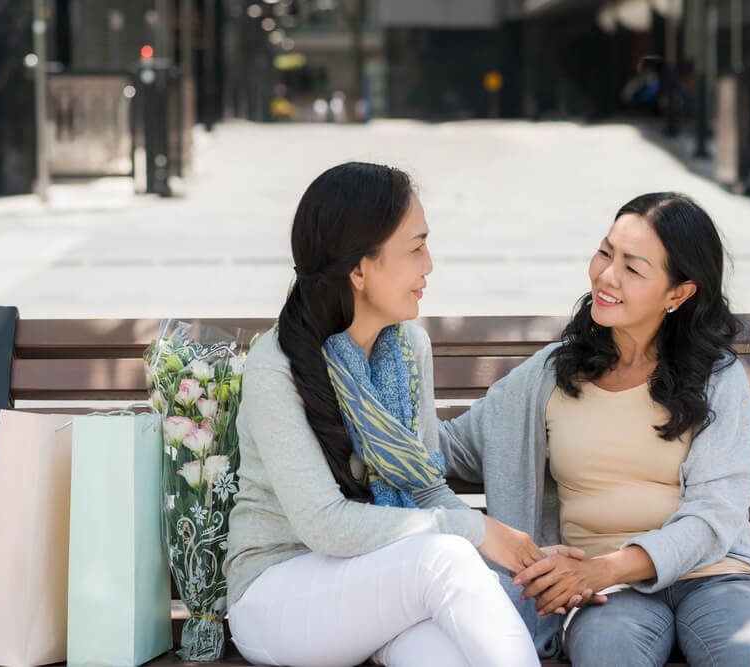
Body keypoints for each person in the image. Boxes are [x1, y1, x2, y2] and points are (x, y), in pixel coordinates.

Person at [439, 192, 750, 666]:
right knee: (608, 654)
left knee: (746, 653)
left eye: (632, 269)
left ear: (679, 293)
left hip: (716, 575)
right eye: (605, 252)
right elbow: (448, 447)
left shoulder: (716, 376)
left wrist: (600, 569)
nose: (606, 276)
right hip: (607, 597)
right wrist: (346, 415)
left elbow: (714, 515)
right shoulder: (549, 375)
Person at [223, 162, 545, 667]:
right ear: (359, 268)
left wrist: (531, 561)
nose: (429, 265)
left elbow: (428, 490)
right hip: (277, 594)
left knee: (451, 656)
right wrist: (478, 532)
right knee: (447, 557)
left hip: (380, 582)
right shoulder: (277, 365)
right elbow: (325, 526)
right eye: (415, 247)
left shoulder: (408, 347)